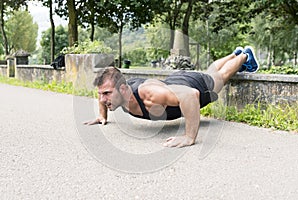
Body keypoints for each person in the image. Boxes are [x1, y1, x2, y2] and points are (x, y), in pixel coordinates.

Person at [84, 46, 259, 148]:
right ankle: (234, 54)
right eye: (101, 94)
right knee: (210, 73)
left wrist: (189, 137)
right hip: (173, 82)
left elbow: (191, 95)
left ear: (122, 89)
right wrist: (102, 116)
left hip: (190, 86)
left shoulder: (148, 94)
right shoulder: (116, 93)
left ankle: (245, 56)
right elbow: (103, 91)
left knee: (218, 79)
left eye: (106, 94)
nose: (102, 99)